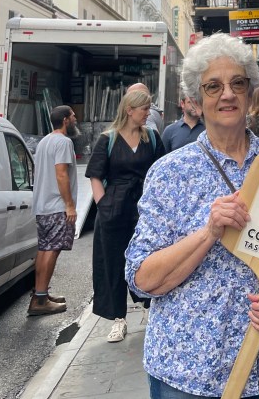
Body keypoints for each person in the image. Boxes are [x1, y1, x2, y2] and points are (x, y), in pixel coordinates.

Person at [126, 33, 259, 398]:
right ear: (196, 101)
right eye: (213, 86)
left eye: (237, 83)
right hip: (185, 368)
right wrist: (208, 232)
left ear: (250, 93)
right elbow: (141, 279)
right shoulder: (170, 172)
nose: (228, 94)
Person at [86, 88, 163, 343]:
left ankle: (149, 309)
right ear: (130, 110)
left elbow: (162, 171)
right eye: (144, 108)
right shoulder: (107, 139)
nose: (148, 113)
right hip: (114, 211)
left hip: (144, 210)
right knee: (113, 264)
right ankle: (119, 319)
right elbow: (95, 175)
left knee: (149, 259)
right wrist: (103, 206)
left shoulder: (151, 137)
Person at [29, 105, 79, 316]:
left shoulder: (44, 141)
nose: (76, 119)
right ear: (66, 120)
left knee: (44, 249)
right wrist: (69, 205)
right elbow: (61, 174)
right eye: (73, 116)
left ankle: (40, 295)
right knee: (53, 249)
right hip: (57, 206)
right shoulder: (63, 142)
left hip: (42, 206)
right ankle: (40, 301)